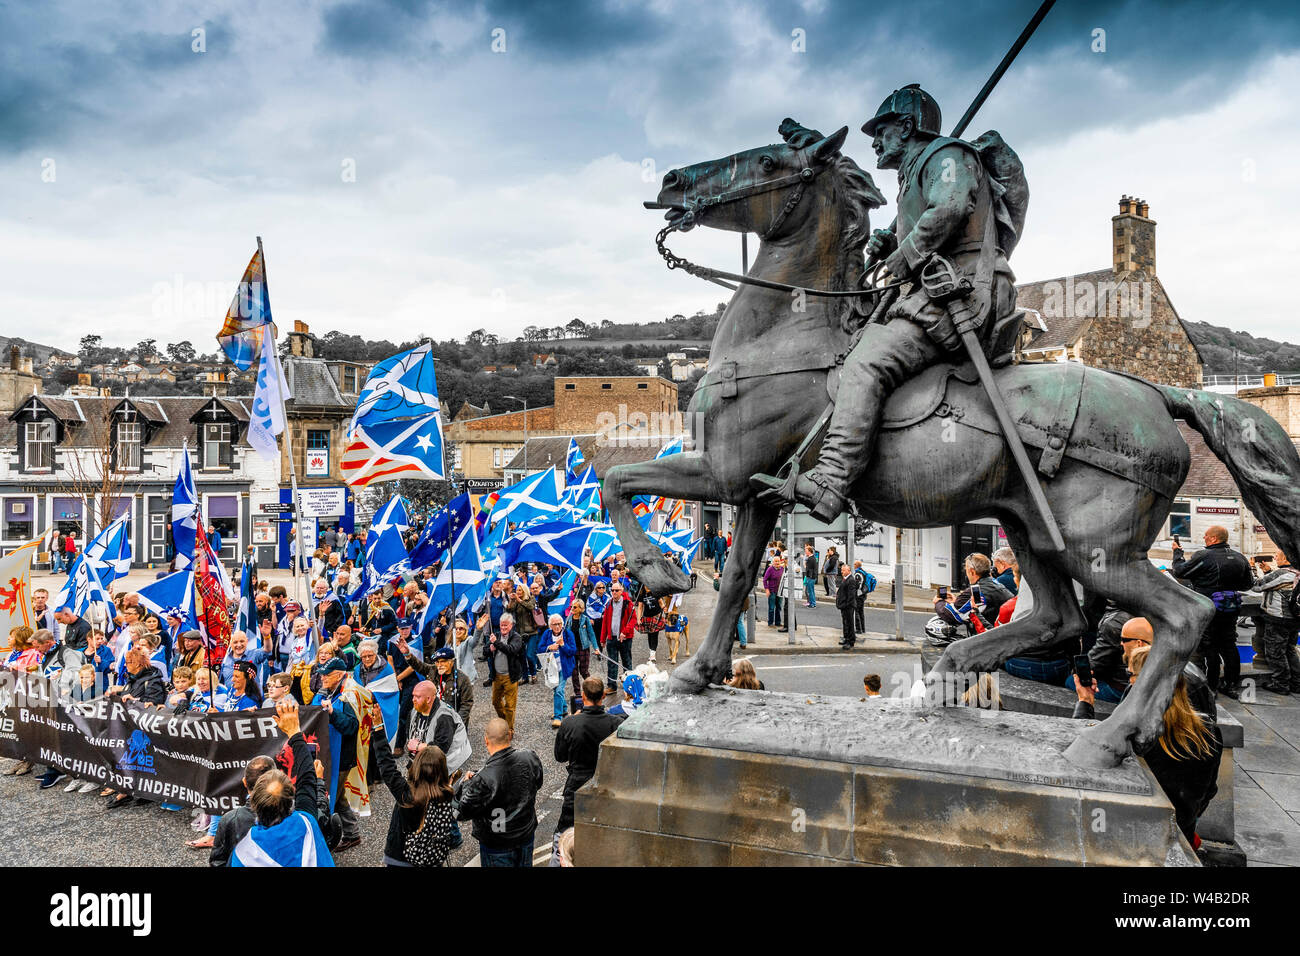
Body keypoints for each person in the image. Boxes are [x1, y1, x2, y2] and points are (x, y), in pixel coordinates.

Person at [752, 85, 1022, 524]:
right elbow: (929, 215)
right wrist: (892, 237)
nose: (875, 141)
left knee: (865, 363)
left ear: (907, 127)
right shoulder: (918, 170)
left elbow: (950, 208)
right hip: (936, 290)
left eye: (882, 130)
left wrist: (904, 254)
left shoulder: (947, 157)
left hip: (962, 292)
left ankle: (831, 481)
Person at [1074, 643, 1221, 845]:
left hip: (1131, 833)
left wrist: (1085, 702)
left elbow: (1085, 758)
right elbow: (1210, 790)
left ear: (1145, 684)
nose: (1130, 681)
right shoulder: (1208, 730)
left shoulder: (1136, 736)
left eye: (1132, 675)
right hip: (1179, 831)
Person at [1172, 526, 1253, 698]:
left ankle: (1211, 686)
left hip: (1208, 607)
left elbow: (1180, 571)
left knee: (1210, 647)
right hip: (1230, 608)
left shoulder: (1204, 556)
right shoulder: (1240, 557)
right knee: (1229, 645)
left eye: (1206, 536)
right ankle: (1231, 685)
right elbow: (1248, 584)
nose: (1204, 538)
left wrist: (1177, 554)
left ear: (1214, 539)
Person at [454, 718, 544, 867]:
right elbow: (537, 783)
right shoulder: (529, 757)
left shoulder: (483, 778)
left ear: (486, 741)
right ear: (510, 736)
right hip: (525, 834)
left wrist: (463, 784)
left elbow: (463, 811)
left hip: (497, 845)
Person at [552, 677, 624, 863]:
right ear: (603, 696)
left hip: (576, 785)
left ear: (583, 696)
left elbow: (560, 756)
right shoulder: (615, 723)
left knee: (564, 835)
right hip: (605, 785)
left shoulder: (570, 723)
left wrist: (569, 723)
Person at [375, 739, 457, 867]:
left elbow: (387, 767)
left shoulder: (406, 794)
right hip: (432, 858)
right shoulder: (446, 794)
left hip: (400, 857)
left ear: (417, 766)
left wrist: (378, 730)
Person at [313, 657, 365, 851]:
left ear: (339, 675)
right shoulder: (328, 690)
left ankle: (324, 840)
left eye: (327, 674)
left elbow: (352, 727)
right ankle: (352, 834)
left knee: (330, 798)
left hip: (342, 754)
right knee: (339, 794)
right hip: (330, 751)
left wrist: (333, 713)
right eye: (322, 674)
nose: (323, 677)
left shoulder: (349, 694)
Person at [1252, 553, 1300, 694]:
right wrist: (1267, 571)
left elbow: (1257, 586)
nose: (1275, 558)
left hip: (1279, 618)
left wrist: (1252, 569)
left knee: (1276, 652)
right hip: (1295, 618)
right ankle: (1297, 683)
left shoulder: (1280, 573)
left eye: (1278, 555)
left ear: (1285, 558)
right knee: (1290, 650)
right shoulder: (1296, 572)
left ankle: (1281, 684)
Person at [406, 680, 472, 777]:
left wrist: (417, 746)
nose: (413, 700)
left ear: (428, 699)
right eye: (413, 696)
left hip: (446, 765)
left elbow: (441, 748)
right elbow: (409, 734)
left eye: (418, 697)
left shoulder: (444, 716)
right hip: (424, 761)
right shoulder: (414, 712)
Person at [487, 612, 524, 732]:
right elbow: (484, 651)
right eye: (502, 625)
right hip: (497, 676)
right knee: (495, 701)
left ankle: (509, 730)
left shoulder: (516, 637)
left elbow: (511, 650)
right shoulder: (496, 635)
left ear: (511, 625)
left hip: (510, 676)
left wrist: (496, 643)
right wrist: (490, 648)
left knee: (510, 705)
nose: (503, 628)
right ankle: (504, 721)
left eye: (506, 626)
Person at [541, 613, 578, 728]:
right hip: (551, 667)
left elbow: (573, 651)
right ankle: (564, 709)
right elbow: (539, 648)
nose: (557, 626)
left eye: (559, 624)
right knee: (555, 689)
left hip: (564, 667)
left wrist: (563, 645)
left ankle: (558, 717)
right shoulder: (547, 634)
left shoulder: (567, 634)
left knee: (558, 690)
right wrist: (549, 647)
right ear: (550, 625)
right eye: (554, 624)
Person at [601, 580, 636, 691]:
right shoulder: (608, 604)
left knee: (627, 662)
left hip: (625, 638)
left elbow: (633, 620)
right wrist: (603, 638)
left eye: (616, 590)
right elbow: (605, 622)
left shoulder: (628, 603)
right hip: (612, 638)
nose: (614, 592)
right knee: (611, 662)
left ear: (621, 591)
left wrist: (624, 632)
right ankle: (611, 686)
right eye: (612, 590)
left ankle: (629, 685)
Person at [507, 583, 541, 685]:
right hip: (520, 633)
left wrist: (519, 600)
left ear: (525, 591)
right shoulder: (517, 601)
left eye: (520, 590)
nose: (518, 592)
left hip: (532, 632)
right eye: (517, 590)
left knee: (530, 655)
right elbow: (509, 610)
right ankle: (524, 676)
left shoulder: (531, 599)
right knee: (521, 656)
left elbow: (530, 607)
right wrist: (512, 600)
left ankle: (533, 673)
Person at [565, 598, 598, 696]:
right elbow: (565, 634)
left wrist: (596, 648)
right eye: (571, 607)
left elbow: (591, 634)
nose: (572, 609)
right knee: (574, 673)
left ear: (581, 608)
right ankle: (578, 693)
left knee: (584, 671)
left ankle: (591, 689)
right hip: (572, 649)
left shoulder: (585, 619)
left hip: (583, 648)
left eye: (574, 607)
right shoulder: (568, 620)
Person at [836, 563, 859, 649]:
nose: (842, 572)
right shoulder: (845, 579)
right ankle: (846, 638)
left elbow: (851, 596)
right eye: (841, 570)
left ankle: (851, 641)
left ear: (848, 571)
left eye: (843, 570)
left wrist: (845, 605)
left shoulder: (851, 580)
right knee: (845, 623)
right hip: (844, 606)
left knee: (849, 624)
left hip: (848, 606)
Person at [763, 556, 784, 626]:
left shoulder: (782, 569)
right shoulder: (770, 569)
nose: (777, 562)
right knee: (771, 608)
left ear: (780, 561)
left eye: (778, 561)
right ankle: (770, 622)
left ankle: (778, 622)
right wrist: (767, 589)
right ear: (773, 562)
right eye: (776, 561)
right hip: (772, 591)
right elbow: (765, 580)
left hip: (780, 591)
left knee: (779, 607)